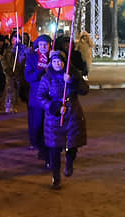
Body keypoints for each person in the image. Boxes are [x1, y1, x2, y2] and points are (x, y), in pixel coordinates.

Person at [37, 50, 89, 189]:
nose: (57, 64)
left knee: (72, 144)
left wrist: (72, 81)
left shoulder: (72, 73)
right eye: (54, 61)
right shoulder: (47, 78)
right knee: (54, 148)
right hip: (54, 118)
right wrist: (54, 107)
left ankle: (69, 162)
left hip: (72, 114)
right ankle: (56, 176)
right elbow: (41, 97)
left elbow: (85, 89)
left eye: (59, 61)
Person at [24, 34, 51, 164]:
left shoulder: (54, 57)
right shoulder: (32, 58)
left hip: (51, 97)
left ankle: (47, 151)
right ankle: (39, 145)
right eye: (41, 45)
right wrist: (41, 71)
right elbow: (28, 77)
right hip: (36, 96)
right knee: (37, 123)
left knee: (49, 124)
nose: (44, 47)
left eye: (46, 44)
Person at [1, 32, 30, 113]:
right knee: (10, 88)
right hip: (9, 72)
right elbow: (3, 60)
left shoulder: (23, 50)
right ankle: (8, 105)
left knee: (16, 88)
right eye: (14, 39)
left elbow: (25, 59)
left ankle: (13, 104)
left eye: (17, 39)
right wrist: (6, 69)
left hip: (18, 73)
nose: (15, 41)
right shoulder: (8, 50)